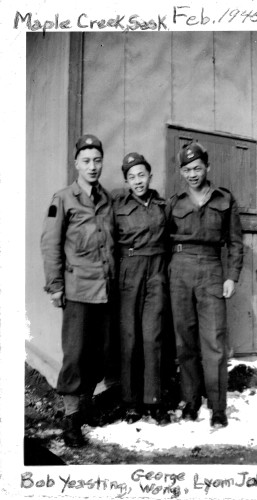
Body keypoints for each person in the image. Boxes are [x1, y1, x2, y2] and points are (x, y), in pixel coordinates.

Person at [41, 134, 115, 447]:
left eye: (97, 160)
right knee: (74, 354)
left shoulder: (106, 199)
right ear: (76, 164)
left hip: (104, 290)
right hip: (76, 290)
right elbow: (50, 243)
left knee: (98, 353)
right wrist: (55, 285)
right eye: (86, 161)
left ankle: (84, 408)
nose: (93, 166)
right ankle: (71, 418)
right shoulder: (63, 199)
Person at [167, 141, 243, 427]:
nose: (193, 174)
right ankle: (190, 400)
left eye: (197, 168)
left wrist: (232, 276)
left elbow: (236, 242)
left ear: (207, 167)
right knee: (184, 341)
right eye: (187, 169)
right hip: (180, 270)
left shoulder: (224, 199)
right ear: (181, 172)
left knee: (214, 342)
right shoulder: (175, 203)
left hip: (211, 269)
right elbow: (164, 241)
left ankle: (218, 406)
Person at [112, 152, 171, 425]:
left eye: (142, 175)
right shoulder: (117, 205)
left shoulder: (162, 204)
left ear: (150, 176)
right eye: (132, 177)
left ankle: (154, 401)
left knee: (153, 337)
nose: (138, 181)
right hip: (129, 270)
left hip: (156, 271)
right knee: (129, 338)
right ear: (126, 181)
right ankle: (131, 402)